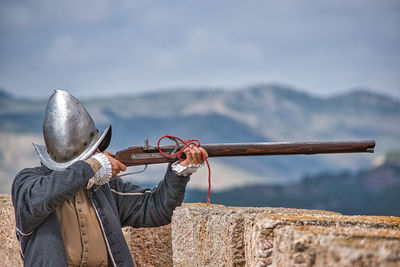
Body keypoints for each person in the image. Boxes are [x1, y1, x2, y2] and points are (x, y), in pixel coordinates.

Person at [11, 89, 208, 266]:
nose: (98, 152)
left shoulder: (102, 187)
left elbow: (156, 209)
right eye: (92, 152)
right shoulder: (28, 181)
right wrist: (93, 166)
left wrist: (179, 172)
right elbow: (35, 202)